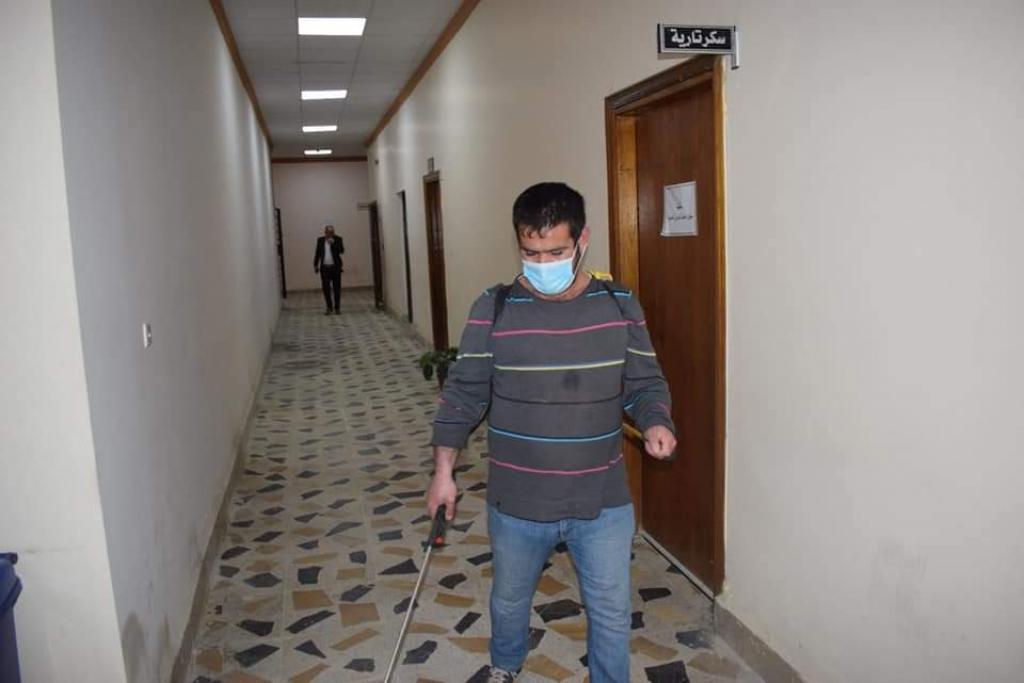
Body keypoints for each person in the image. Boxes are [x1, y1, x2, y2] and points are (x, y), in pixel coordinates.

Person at [426, 182, 677, 683]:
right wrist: (443, 472)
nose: (543, 264)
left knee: (610, 610)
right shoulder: (493, 308)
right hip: (518, 503)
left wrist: (656, 420)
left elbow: (644, 382)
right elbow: (464, 395)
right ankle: (505, 666)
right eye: (531, 253)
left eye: (556, 252)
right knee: (509, 600)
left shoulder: (619, 305)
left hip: (601, 500)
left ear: (583, 240)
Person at [313, 224, 344, 314]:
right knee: (326, 289)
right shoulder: (320, 240)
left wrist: (333, 243)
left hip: (335, 268)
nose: (330, 234)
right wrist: (315, 265)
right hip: (325, 268)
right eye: (328, 232)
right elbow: (317, 253)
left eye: (332, 232)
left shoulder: (338, 239)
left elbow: (341, 251)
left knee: (336, 289)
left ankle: (337, 308)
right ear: (325, 232)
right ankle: (329, 307)